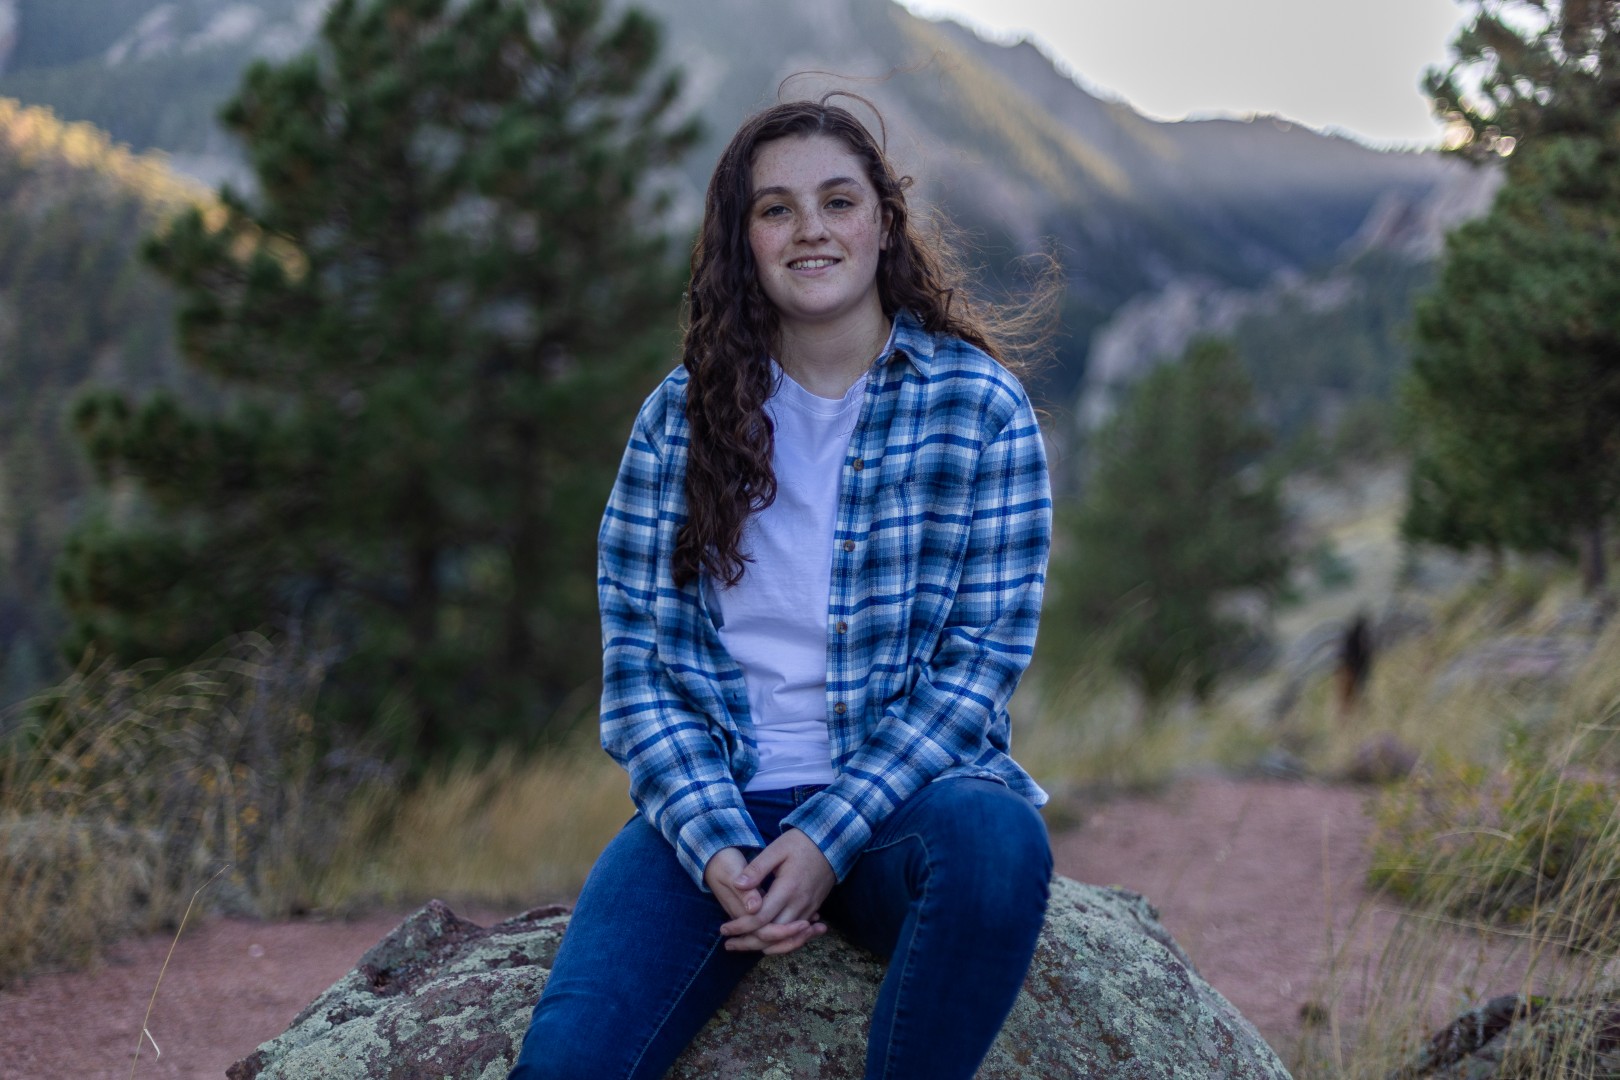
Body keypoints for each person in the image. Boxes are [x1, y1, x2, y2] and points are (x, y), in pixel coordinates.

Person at [508, 94, 1055, 1080]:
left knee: (1001, 845)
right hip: (719, 811)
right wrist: (720, 848)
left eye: (838, 201)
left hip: (905, 810)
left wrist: (826, 836)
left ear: (882, 223)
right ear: (742, 239)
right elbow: (640, 669)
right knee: (565, 1064)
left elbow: (982, 664)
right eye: (777, 208)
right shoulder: (679, 422)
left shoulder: (979, 407)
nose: (811, 229)